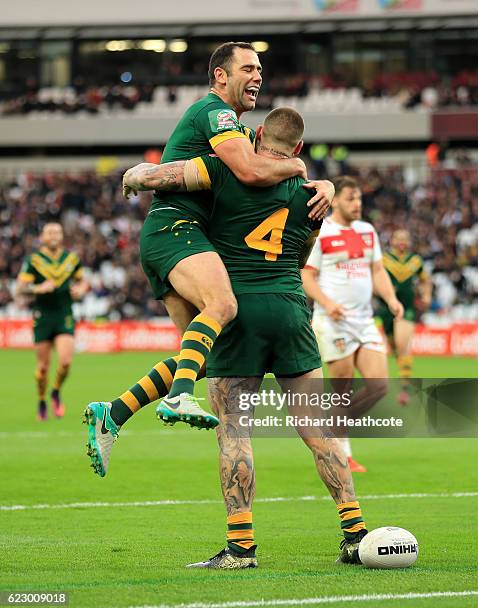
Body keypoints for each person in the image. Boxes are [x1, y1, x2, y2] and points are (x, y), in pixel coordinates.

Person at [123, 108, 368, 568]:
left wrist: (139, 174)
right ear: (297, 150)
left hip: (239, 313)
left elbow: (164, 179)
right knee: (317, 430)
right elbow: (301, 255)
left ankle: (241, 547)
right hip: (290, 309)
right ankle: (355, 533)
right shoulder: (313, 194)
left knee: (235, 431)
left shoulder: (222, 170)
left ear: (256, 136)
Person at [85, 42, 329, 478]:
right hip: (177, 230)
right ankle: (177, 397)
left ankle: (114, 413)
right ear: (221, 75)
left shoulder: (229, 122)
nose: (258, 76)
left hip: (172, 235)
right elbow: (252, 172)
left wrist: (322, 181)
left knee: (202, 355)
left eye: (261, 69)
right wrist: (300, 169)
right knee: (224, 305)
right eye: (249, 68)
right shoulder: (216, 114)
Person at [301, 177, 404, 472]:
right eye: (350, 198)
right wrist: (328, 303)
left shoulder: (367, 231)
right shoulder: (322, 232)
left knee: (380, 386)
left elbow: (378, 270)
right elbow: (306, 276)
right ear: (335, 201)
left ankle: (331, 431)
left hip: (364, 320)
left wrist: (391, 298)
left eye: (359, 198)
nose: (357, 204)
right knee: (342, 389)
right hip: (333, 321)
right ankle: (341, 452)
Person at [16, 222, 88, 420]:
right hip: (43, 316)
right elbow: (20, 289)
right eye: (50, 232)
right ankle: (41, 399)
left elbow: (83, 280)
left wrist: (81, 289)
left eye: (57, 231)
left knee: (65, 362)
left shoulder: (71, 259)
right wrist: (38, 289)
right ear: (43, 236)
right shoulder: (34, 260)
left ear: (62, 235)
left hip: (64, 314)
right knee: (42, 368)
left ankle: (55, 391)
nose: (54, 235)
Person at [377, 229, 432, 405]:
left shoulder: (415, 261)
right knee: (394, 347)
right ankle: (402, 369)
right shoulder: (383, 259)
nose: (402, 241)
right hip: (386, 308)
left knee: (402, 346)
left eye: (405, 239)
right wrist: (381, 291)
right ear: (392, 240)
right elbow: (373, 279)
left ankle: (404, 390)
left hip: (407, 308)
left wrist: (426, 295)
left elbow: (425, 280)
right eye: (398, 238)